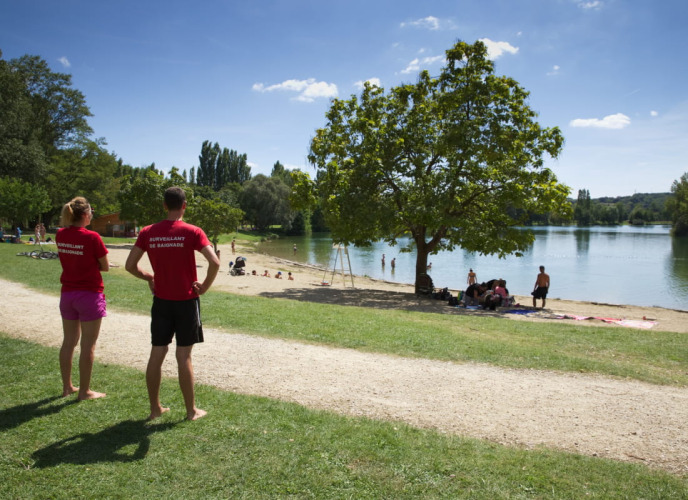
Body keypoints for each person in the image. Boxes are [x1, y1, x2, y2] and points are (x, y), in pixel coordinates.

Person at [125, 187, 220, 421]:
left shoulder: (148, 232)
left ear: (164, 205)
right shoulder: (193, 232)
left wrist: (150, 277)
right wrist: (205, 286)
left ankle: (155, 409)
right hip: (186, 302)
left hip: (161, 302)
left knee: (157, 352)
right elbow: (215, 262)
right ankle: (191, 411)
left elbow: (130, 266)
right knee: (184, 356)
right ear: (184, 205)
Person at [56, 197, 109, 400]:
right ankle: (85, 391)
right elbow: (104, 265)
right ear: (85, 215)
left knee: (68, 342)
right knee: (88, 345)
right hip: (89, 294)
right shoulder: (92, 237)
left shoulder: (61, 234)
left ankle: (67, 387)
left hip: (67, 294)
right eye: (92, 212)